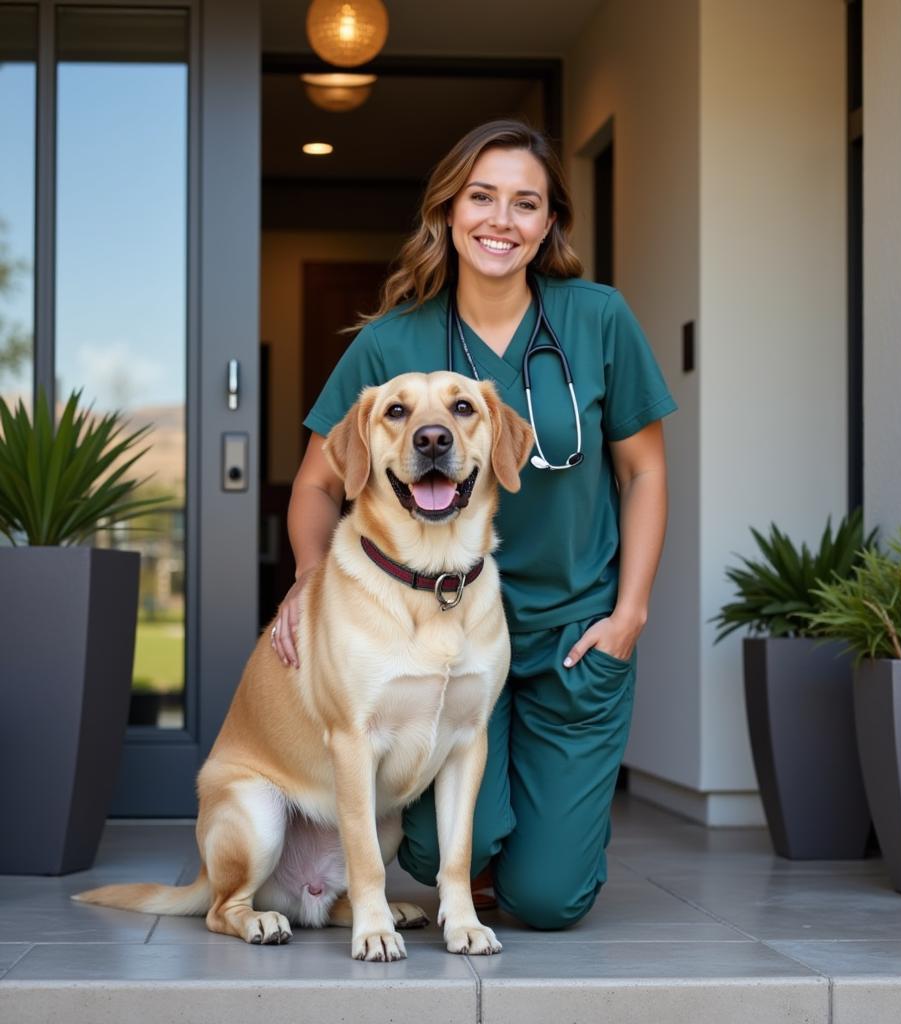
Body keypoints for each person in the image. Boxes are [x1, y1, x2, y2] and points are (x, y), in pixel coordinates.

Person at [271, 119, 676, 930]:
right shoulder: (393, 341)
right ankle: (480, 849)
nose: (502, 219)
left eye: (526, 203)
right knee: (433, 848)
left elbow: (645, 470)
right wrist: (313, 587)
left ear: (550, 222)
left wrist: (628, 613)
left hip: (572, 631)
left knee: (549, 900)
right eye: (481, 197)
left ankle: (523, 862)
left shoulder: (597, 320)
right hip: (431, 635)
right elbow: (317, 483)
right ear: (448, 213)